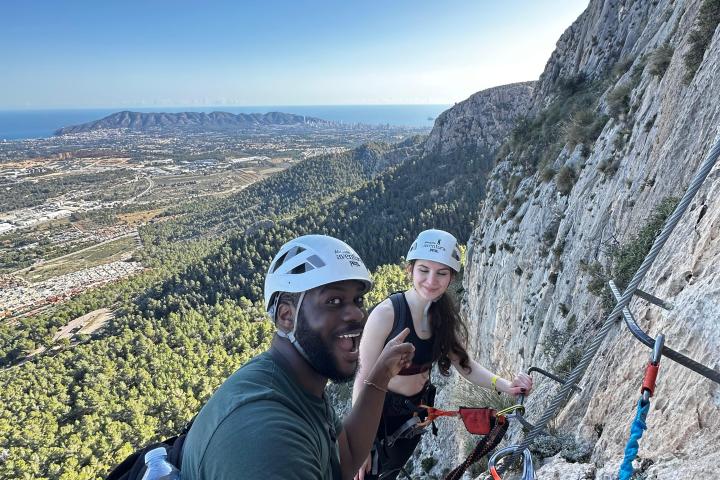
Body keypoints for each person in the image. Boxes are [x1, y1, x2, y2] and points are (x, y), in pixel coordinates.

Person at [181, 234, 416, 480]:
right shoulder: (266, 440)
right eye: (334, 301)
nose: (357, 314)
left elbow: (344, 458)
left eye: (357, 300)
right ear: (286, 316)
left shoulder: (297, 383)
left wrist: (381, 375)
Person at [352, 229, 533, 480]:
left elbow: (464, 363)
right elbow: (363, 379)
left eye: (441, 273)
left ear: (451, 278)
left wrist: (505, 386)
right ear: (410, 270)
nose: (431, 280)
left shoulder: (441, 316)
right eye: (424, 270)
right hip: (377, 421)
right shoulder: (386, 315)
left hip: (412, 419)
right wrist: (360, 443)